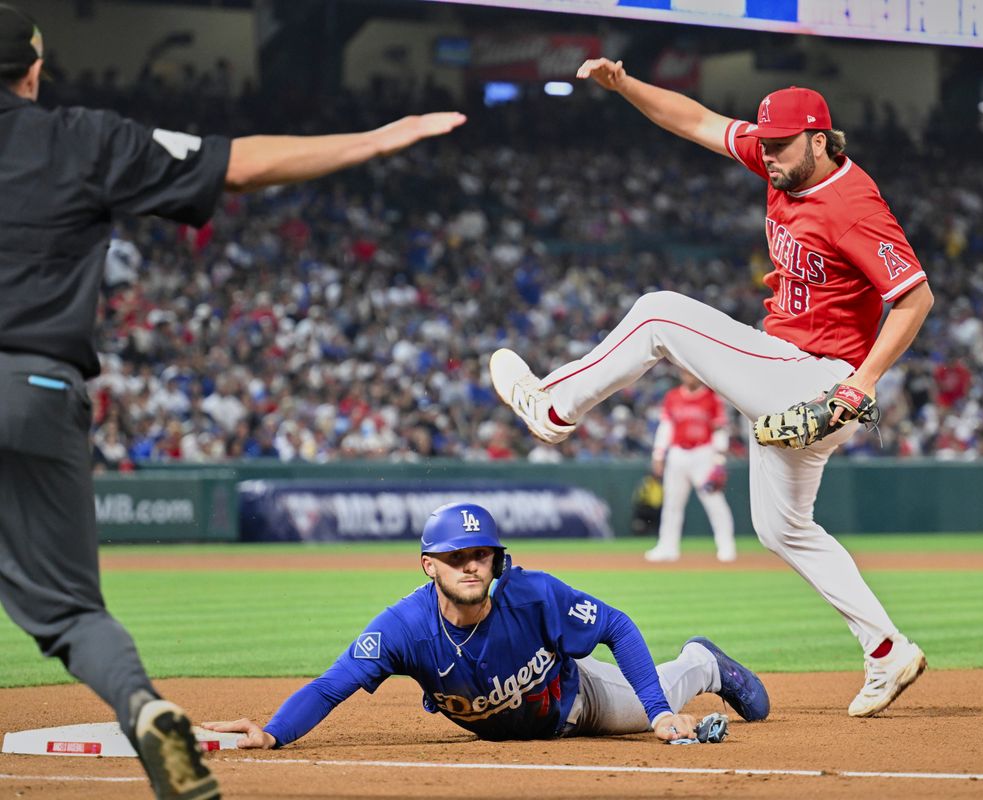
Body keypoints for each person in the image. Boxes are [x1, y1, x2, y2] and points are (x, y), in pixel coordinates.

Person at [0, 5, 464, 798]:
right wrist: (373, 139)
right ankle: (144, 710)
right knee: (75, 615)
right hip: (37, 386)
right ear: (34, 72)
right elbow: (240, 164)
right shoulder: (81, 136)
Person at [490, 57, 934, 718]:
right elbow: (694, 119)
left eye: (782, 144)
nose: (770, 153)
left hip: (821, 379)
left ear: (820, 139)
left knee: (659, 313)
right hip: (797, 378)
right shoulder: (779, 161)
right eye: (766, 141)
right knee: (784, 529)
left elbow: (915, 297)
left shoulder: (851, 202)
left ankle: (552, 408)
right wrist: (625, 85)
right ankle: (886, 650)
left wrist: (861, 384)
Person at [202, 502, 769, 747]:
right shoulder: (403, 628)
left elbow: (616, 626)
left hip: (580, 700)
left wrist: (660, 714)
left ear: (497, 558)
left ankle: (704, 661)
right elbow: (331, 686)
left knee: (661, 698)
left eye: (481, 553)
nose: (471, 564)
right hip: (523, 724)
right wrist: (273, 731)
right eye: (455, 556)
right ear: (429, 565)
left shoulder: (532, 593)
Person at [646, 369, 737, 563]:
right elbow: (666, 427)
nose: (689, 377)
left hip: (703, 453)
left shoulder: (711, 398)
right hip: (678, 453)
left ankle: (726, 546)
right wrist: (659, 454)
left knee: (713, 501)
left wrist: (719, 459)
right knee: (672, 504)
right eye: (685, 374)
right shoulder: (673, 396)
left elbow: (719, 429)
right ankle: (667, 547)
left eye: (692, 374)